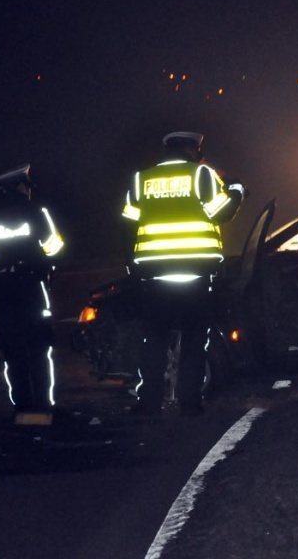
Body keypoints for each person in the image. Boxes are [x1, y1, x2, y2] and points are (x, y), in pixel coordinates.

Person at [121, 132, 245, 416]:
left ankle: (149, 403)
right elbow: (222, 213)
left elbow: (127, 225)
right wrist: (236, 190)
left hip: (155, 277)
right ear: (194, 150)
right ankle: (190, 403)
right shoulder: (202, 175)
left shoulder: (142, 179)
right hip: (195, 275)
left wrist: (132, 266)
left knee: (153, 341)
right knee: (193, 341)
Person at [0, 164, 64, 425]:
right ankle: (43, 405)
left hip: (1, 287)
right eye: (26, 186)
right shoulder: (35, 212)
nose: (29, 190)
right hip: (31, 286)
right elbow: (54, 247)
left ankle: (22, 406)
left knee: (12, 348)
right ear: (18, 187)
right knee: (38, 346)